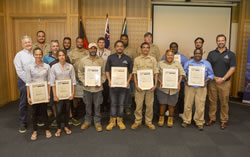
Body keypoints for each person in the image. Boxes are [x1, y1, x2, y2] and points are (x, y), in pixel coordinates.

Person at [206, 34, 236, 130]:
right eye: (219, 40)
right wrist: (214, 77)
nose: (220, 42)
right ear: (216, 42)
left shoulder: (231, 54)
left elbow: (232, 68)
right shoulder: (211, 53)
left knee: (224, 102)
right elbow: (208, 67)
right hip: (213, 82)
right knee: (212, 101)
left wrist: (223, 79)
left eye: (222, 40)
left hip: (225, 83)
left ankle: (224, 120)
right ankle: (212, 118)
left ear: (225, 41)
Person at [181, 48, 214, 131]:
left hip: (201, 88)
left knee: (200, 106)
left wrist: (205, 81)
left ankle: (199, 122)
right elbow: (183, 73)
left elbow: (211, 75)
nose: (197, 55)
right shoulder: (188, 63)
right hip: (190, 87)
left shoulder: (207, 64)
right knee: (188, 104)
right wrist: (186, 80)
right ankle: (186, 120)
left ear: (202, 54)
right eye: (196, 53)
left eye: (199, 53)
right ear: (194, 54)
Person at [105, 40, 133, 131]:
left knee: (121, 103)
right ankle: (112, 120)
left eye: (121, 46)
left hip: (123, 86)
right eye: (118, 46)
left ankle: (120, 120)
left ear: (123, 48)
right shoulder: (110, 57)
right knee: (113, 103)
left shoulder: (128, 59)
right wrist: (109, 81)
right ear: (115, 47)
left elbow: (131, 72)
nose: (119, 47)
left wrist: (128, 81)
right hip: (113, 85)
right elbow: (107, 70)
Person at [78, 43, 106, 132]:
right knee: (87, 105)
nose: (93, 50)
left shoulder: (101, 60)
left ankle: (97, 122)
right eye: (91, 48)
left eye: (94, 48)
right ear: (88, 49)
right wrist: (83, 81)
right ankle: (87, 121)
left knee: (97, 106)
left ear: (96, 49)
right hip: (87, 88)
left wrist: (101, 81)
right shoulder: (83, 60)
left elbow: (104, 74)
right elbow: (80, 72)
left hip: (98, 88)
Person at [131, 42, 158, 130]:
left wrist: (155, 85)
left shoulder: (153, 59)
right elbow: (134, 73)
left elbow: (156, 73)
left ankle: (148, 122)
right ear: (141, 49)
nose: (145, 49)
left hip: (150, 86)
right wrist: (136, 85)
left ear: (149, 49)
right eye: (144, 47)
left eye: (147, 47)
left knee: (149, 105)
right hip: (140, 86)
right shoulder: (136, 59)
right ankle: (137, 121)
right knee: (138, 105)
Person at [26, 48, 52, 140]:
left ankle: (47, 129)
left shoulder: (47, 66)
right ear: (34, 55)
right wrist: (28, 96)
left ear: (42, 55)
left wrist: (49, 95)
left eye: (40, 54)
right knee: (34, 112)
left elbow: (49, 82)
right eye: (36, 54)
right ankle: (35, 130)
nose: (38, 56)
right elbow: (28, 83)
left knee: (44, 112)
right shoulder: (29, 67)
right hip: (34, 94)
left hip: (44, 93)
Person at [50, 50, 76, 137]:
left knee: (67, 110)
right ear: (57, 57)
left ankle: (66, 126)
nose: (61, 57)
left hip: (68, 93)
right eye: (60, 55)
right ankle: (58, 128)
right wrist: (54, 95)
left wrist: (72, 93)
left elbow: (73, 82)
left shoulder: (70, 66)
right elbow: (52, 83)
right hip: (58, 94)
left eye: (63, 55)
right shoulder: (53, 67)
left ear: (65, 56)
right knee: (58, 111)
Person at [157, 49, 185, 127]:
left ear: (173, 56)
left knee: (172, 104)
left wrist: (179, 83)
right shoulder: (160, 63)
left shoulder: (178, 64)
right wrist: (160, 81)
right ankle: (161, 117)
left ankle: (170, 118)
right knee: (162, 103)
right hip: (162, 88)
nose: (170, 56)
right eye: (168, 55)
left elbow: (182, 73)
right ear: (165, 56)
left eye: (171, 55)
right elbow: (155, 74)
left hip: (174, 88)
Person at [14, 35, 35, 133]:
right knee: (24, 102)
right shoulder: (19, 55)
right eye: (26, 42)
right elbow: (19, 71)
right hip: (23, 82)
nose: (28, 44)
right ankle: (23, 122)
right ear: (22, 44)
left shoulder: (34, 54)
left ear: (32, 43)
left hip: (35, 82)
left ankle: (37, 119)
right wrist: (29, 81)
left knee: (35, 101)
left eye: (29, 42)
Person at [162, 42, 188, 118]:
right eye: (172, 47)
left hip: (180, 82)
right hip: (168, 81)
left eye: (175, 47)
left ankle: (181, 112)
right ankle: (168, 111)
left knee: (180, 97)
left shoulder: (183, 57)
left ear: (177, 48)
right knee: (168, 96)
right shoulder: (164, 57)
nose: (174, 48)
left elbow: (185, 69)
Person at [67, 37, 89, 126]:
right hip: (75, 78)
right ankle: (75, 112)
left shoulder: (87, 52)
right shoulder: (71, 53)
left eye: (81, 42)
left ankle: (84, 112)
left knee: (85, 96)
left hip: (85, 78)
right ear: (76, 43)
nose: (80, 43)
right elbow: (69, 66)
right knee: (75, 97)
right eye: (78, 42)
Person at [121, 34, 136, 115]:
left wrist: (133, 75)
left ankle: (127, 107)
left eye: (125, 39)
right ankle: (120, 107)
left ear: (128, 40)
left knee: (128, 93)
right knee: (120, 92)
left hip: (129, 76)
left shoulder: (132, 50)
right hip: (119, 77)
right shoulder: (116, 49)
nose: (124, 40)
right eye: (122, 39)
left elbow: (135, 63)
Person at [96, 37, 111, 112]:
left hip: (105, 75)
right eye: (100, 42)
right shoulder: (94, 51)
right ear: (97, 43)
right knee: (98, 91)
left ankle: (105, 103)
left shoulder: (109, 52)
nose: (101, 44)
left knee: (106, 91)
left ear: (105, 44)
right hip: (96, 75)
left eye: (103, 42)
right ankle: (100, 105)